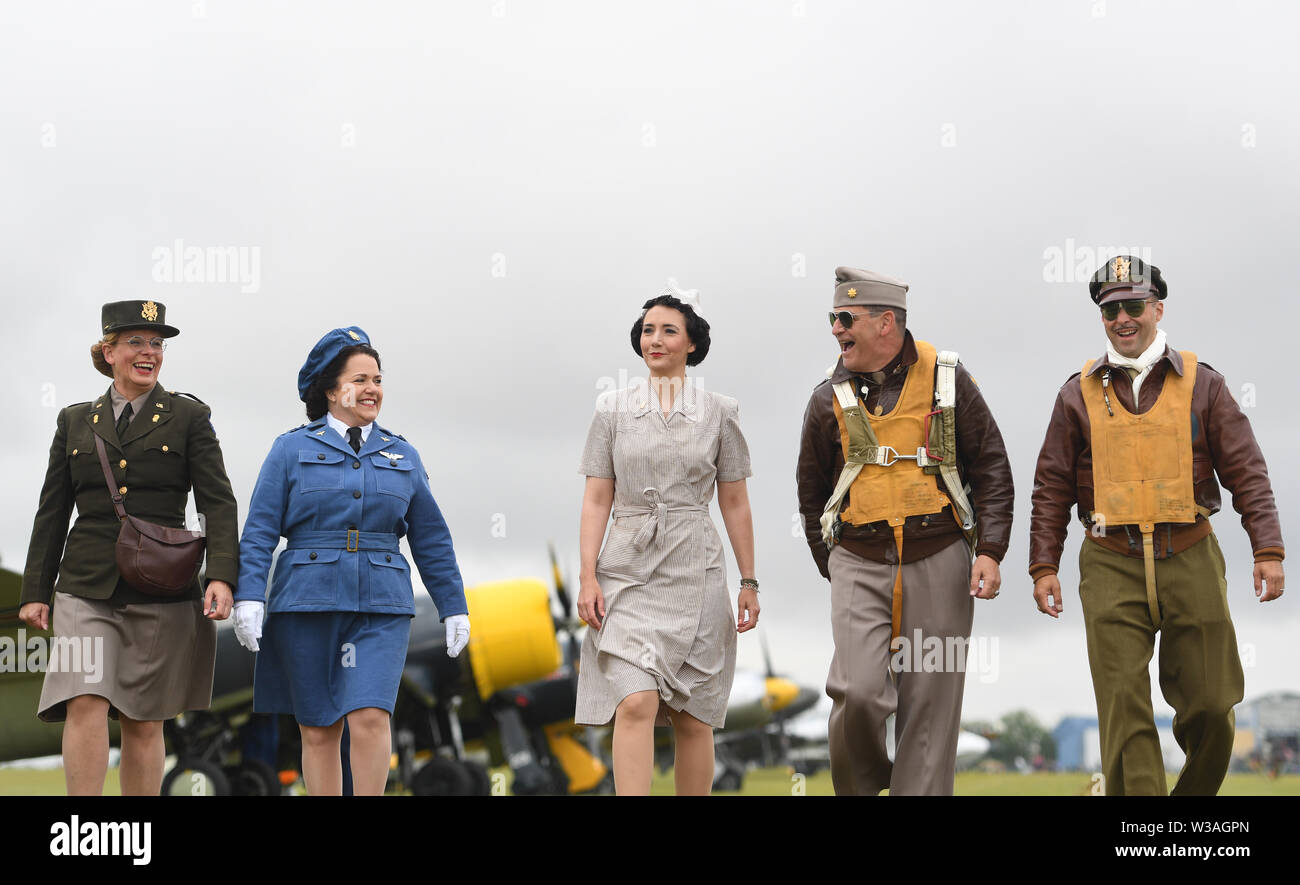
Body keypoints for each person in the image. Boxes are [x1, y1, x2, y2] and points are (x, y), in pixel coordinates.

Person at [1029, 256, 1285, 796]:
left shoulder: (1203, 384)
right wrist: (1042, 564)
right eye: (1110, 309)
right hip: (1108, 560)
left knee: (1214, 705)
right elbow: (1050, 483)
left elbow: (1247, 470)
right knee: (1124, 707)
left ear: (1157, 308)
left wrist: (1268, 549)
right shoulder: (1075, 392)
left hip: (1190, 553)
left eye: (1133, 306)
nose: (1122, 318)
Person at [797, 267, 1014, 795]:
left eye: (845, 319)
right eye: (833, 318)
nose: (835, 329)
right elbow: (810, 493)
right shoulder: (827, 398)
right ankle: (865, 787)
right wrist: (836, 566)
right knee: (857, 692)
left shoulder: (949, 381)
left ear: (886, 322)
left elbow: (992, 468)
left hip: (939, 556)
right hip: (857, 558)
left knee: (931, 705)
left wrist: (991, 550)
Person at [234, 326, 470, 796]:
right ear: (329, 389)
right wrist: (248, 597)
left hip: (381, 607)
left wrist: (454, 605)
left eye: (377, 379)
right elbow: (259, 529)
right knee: (319, 728)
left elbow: (431, 538)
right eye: (359, 379)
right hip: (305, 604)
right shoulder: (290, 450)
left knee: (369, 714)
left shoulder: (403, 454)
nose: (372, 389)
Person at [19, 300, 238, 796]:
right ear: (109, 351)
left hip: (162, 586)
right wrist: (37, 589)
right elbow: (53, 511)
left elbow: (218, 503)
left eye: (157, 344)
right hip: (85, 585)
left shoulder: (189, 416)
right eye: (136, 342)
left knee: (144, 718)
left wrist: (222, 574)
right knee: (85, 698)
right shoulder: (74, 421)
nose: (149, 353)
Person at [575, 284, 759, 796]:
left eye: (668, 331)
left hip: (696, 567)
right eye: (648, 330)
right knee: (635, 700)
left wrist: (749, 580)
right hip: (627, 568)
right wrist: (588, 574)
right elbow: (596, 500)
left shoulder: (722, 412)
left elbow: (736, 502)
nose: (655, 339)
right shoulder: (611, 410)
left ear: (692, 345)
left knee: (694, 717)